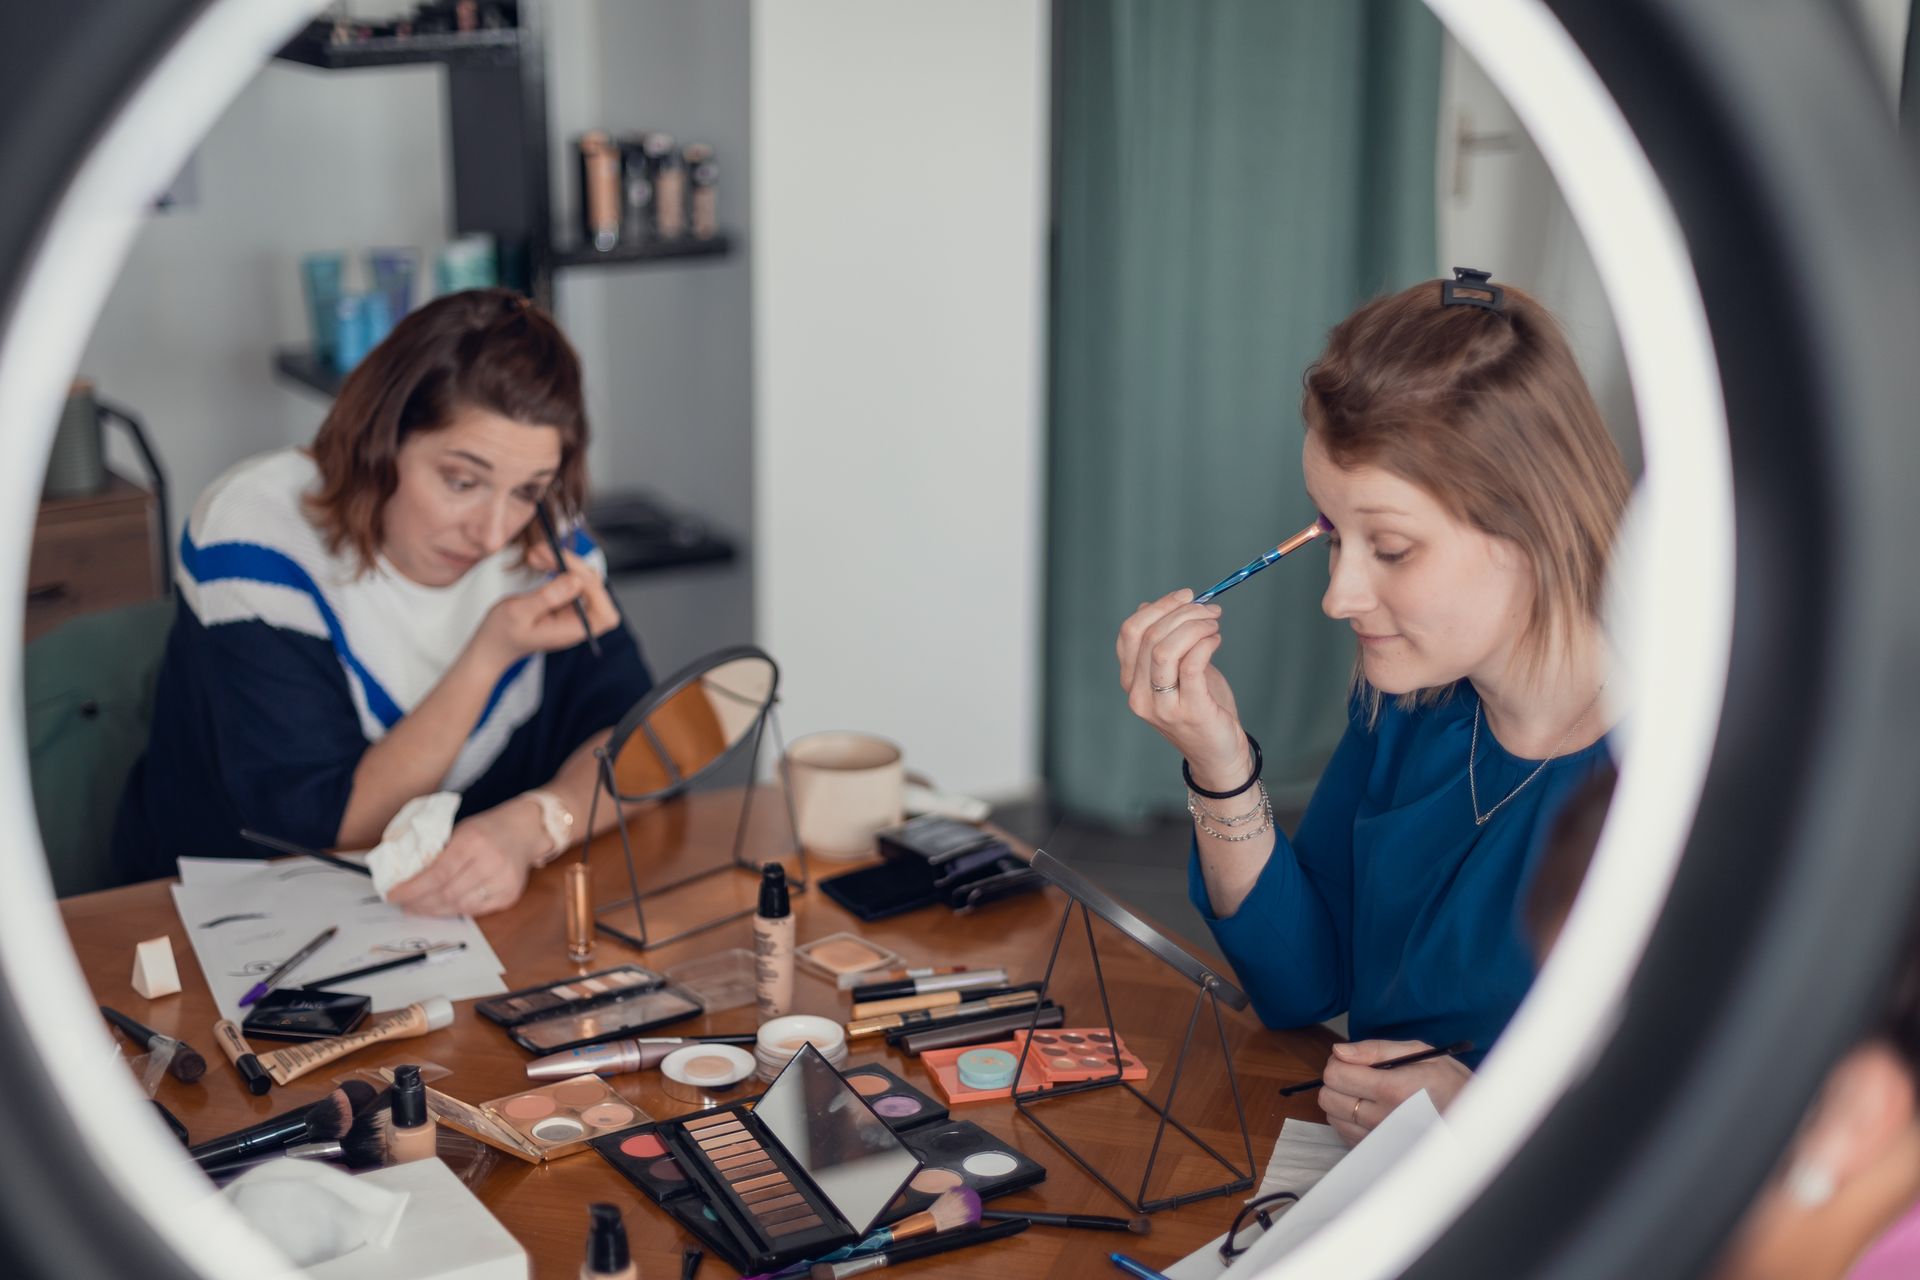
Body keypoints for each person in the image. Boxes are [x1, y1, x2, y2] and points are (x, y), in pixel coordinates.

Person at [1116, 272, 1627, 1141]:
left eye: (1389, 548)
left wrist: (1486, 1117)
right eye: (1330, 535)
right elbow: (1301, 985)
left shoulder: (1683, 781)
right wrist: (1220, 764)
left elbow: (1733, 1119)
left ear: (1534, 526)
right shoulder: (1408, 707)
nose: (1339, 597)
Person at [112, 289, 652, 915]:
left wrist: (532, 826)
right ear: (380, 440)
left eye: (528, 490)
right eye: (462, 481)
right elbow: (330, 827)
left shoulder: (540, 535)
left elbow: (649, 746)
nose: (492, 533)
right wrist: (489, 656)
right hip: (231, 912)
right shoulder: (257, 530)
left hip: (465, 916)